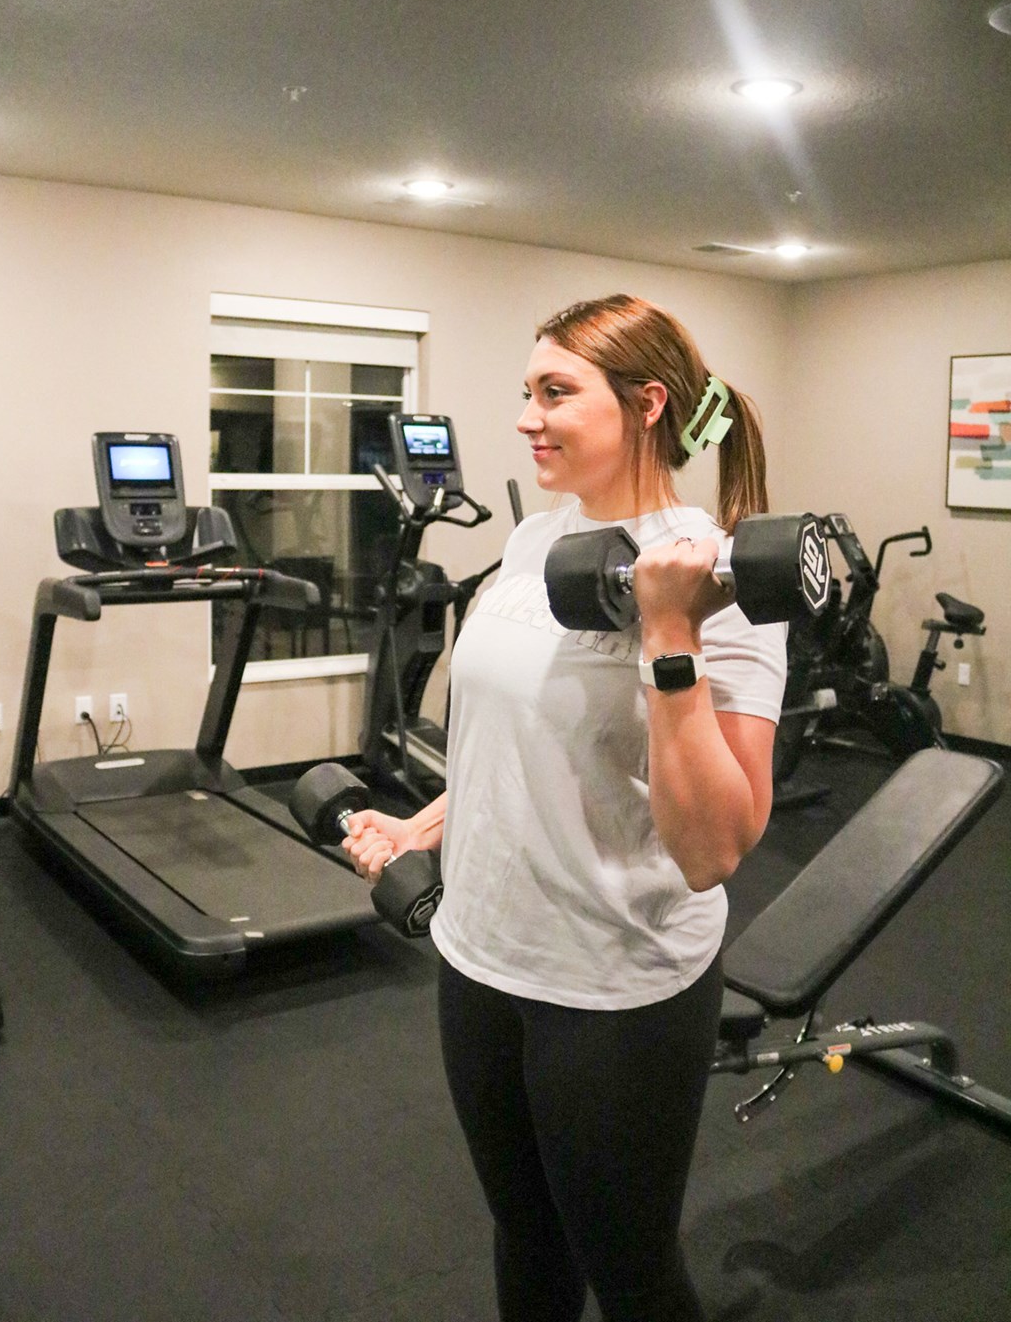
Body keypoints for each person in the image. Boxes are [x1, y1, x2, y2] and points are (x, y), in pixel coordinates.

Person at [343, 293, 787, 1321]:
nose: (526, 415)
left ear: (645, 405)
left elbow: (716, 844)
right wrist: (423, 826)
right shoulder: (535, 542)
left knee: (630, 1269)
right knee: (527, 1234)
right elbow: (521, 740)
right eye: (525, 391)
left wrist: (667, 634)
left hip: (613, 981)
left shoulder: (715, 577)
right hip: (480, 953)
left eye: (555, 391)